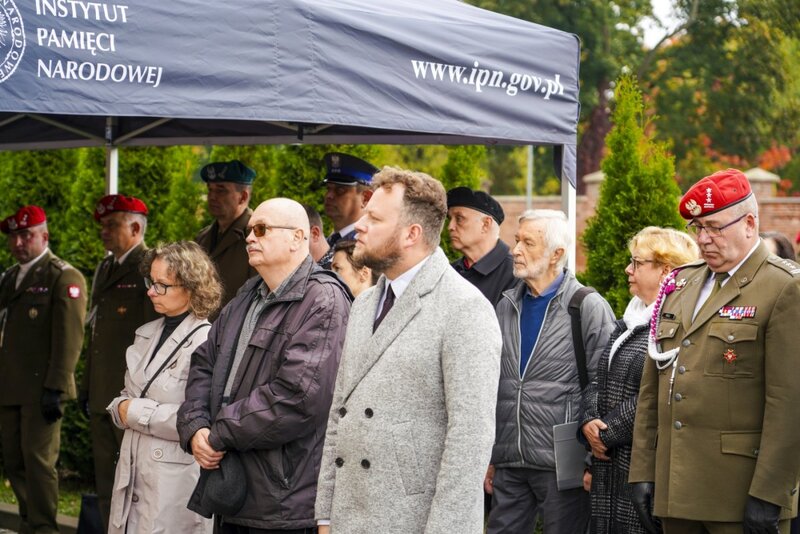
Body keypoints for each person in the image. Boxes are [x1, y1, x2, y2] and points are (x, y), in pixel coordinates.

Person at [315, 167, 502, 534]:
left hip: (412, 523)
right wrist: (326, 515)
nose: (360, 226)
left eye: (375, 218)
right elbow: (340, 415)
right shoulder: (365, 304)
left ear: (411, 234)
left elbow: (470, 441)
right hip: (349, 519)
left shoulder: (465, 308)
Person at [629, 168, 800, 534]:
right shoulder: (681, 283)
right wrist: (643, 471)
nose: (704, 239)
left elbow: (789, 404)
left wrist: (770, 493)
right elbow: (652, 388)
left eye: (716, 227)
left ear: (750, 223)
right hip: (676, 490)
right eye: (698, 228)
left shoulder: (783, 287)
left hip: (739, 492)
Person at [177, 198, 352, 533]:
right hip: (233, 488)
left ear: (298, 238)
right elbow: (203, 362)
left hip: (283, 501)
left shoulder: (324, 299)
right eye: (249, 230)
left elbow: (297, 398)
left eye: (261, 229)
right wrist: (195, 426)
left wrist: (217, 434)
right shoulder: (249, 294)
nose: (249, 238)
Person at [486, 209, 616, 534]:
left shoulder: (586, 306)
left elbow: (604, 383)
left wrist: (591, 463)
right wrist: (490, 454)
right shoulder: (506, 304)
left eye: (527, 243)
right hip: (509, 457)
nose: (515, 250)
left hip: (563, 462)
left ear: (556, 254)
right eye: (516, 241)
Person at [579, 227, 699, 534]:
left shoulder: (678, 323)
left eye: (637, 262)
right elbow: (600, 377)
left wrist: (605, 434)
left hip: (640, 462)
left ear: (666, 270)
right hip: (609, 462)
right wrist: (588, 421)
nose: (627, 270)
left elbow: (660, 390)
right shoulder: (630, 320)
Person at [107, 241, 222, 534]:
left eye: (162, 285)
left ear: (192, 286)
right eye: (150, 282)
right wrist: (123, 408)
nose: (150, 292)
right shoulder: (145, 334)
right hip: (132, 471)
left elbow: (200, 418)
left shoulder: (208, 342)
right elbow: (124, 399)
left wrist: (132, 413)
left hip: (173, 483)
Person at [0, 206, 87, 534]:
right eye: (14, 237)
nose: (19, 242)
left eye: (27, 235)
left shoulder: (63, 276)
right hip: (10, 386)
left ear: (44, 237)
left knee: (38, 465)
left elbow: (70, 338)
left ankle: (42, 528)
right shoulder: (11, 277)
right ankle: (28, 522)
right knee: (14, 461)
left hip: (41, 391)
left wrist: (56, 386)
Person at [79, 194, 158, 530]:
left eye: (112, 225)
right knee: (107, 480)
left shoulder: (148, 265)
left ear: (136, 227)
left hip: (129, 396)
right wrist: (87, 386)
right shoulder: (105, 268)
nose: (104, 232)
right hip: (102, 392)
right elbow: (95, 334)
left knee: (135, 485)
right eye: (103, 225)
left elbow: (152, 335)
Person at [195, 160, 257, 313]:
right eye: (210, 190)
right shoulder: (202, 238)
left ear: (242, 197)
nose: (212, 196)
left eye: (221, 190)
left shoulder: (257, 234)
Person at [447, 186, 516, 305]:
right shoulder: (450, 271)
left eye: (459, 218)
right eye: (450, 219)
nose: (450, 227)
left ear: (485, 224)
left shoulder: (515, 273)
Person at [317, 152, 378, 268]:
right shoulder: (330, 240)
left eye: (340, 190)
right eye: (328, 188)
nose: (329, 195)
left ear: (366, 198)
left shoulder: (366, 247)